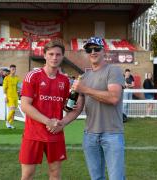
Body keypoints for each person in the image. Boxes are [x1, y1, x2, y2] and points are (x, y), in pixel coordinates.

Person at [51, 37, 126, 180]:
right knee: (96, 178)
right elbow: (78, 108)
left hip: (112, 134)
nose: (93, 52)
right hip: (90, 135)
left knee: (117, 178)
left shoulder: (113, 70)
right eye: (89, 49)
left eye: (96, 48)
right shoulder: (84, 77)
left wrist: (85, 89)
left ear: (104, 51)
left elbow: (114, 98)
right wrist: (63, 122)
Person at [19, 40, 77, 180]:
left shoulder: (64, 80)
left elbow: (63, 105)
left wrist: (69, 107)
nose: (54, 57)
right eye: (51, 54)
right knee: (27, 175)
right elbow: (25, 105)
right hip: (33, 133)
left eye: (58, 54)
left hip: (55, 133)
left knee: (55, 173)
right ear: (44, 55)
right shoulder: (33, 76)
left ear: (63, 57)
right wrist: (47, 121)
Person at [3, 64, 21, 129]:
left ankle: (10, 124)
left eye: (15, 69)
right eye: (12, 69)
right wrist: (5, 96)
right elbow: (4, 88)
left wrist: (19, 91)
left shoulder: (17, 78)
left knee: (13, 113)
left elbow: (19, 87)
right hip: (9, 96)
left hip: (15, 96)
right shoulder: (6, 78)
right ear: (10, 70)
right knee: (12, 109)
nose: (14, 70)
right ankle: (7, 121)